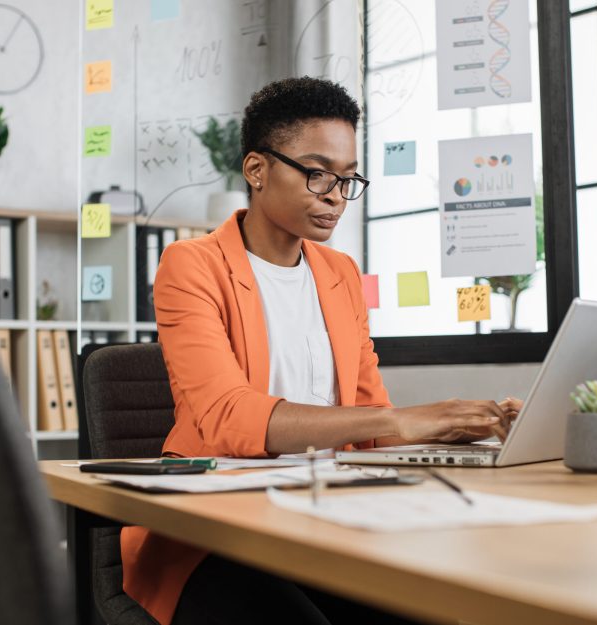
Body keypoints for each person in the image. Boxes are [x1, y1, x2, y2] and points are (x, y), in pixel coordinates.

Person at [121, 76, 521, 625]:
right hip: (218, 528)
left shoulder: (340, 274)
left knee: (439, 606)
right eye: (317, 174)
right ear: (257, 170)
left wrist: (452, 426)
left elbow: (368, 421)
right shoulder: (192, 265)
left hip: (328, 514)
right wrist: (401, 420)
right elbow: (224, 417)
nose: (335, 195)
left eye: (348, 179)